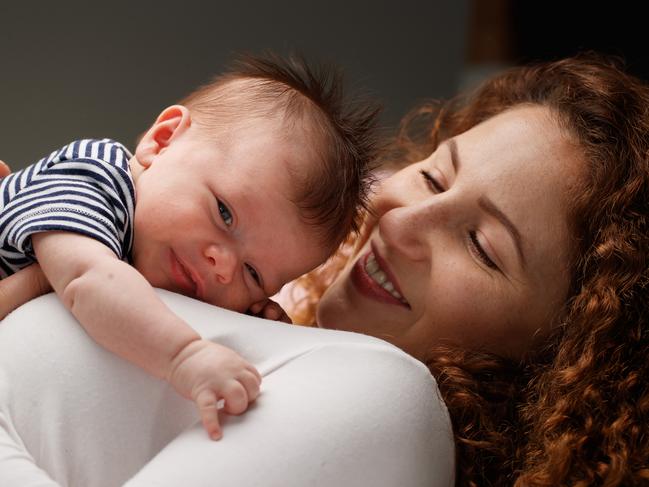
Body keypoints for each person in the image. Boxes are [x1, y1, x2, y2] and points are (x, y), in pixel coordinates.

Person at [1, 53, 648, 486]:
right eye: (431, 175)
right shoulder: (222, 281)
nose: (398, 221)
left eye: (480, 244)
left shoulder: (386, 399)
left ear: (564, 357)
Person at [0, 54, 380, 441]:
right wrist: (185, 356)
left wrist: (254, 325)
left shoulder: (153, 253)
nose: (223, 265)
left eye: (253, 274)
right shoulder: (95, 178)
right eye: (224, 213)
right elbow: (89, 280)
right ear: (162, 141)